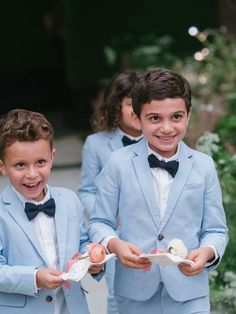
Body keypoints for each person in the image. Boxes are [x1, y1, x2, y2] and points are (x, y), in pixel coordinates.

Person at [88, 68, 228, 314]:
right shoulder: (118, 163)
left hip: (190, 292)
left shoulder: (204, 165)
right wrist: (114, 244)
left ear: (188, 115)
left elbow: (216, 230)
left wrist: (207, 252)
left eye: (176, 117)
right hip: (135, 292)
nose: (166, 128)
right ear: (136, 117)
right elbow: (99, 222)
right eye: (154, 118)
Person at [0, 109, 104, 314]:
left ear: (52, 157)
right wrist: (35, 277)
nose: (32, 174)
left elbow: (82, 242)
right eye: (20, 165)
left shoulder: (69, 200)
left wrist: (90, 260)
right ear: (3, 167)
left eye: (40, 162)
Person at [78, 71, 142, 314]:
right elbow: (87, 190)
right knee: (117, 294)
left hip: (151, 231)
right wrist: (106, 219)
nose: (136, 110)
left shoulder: (159, 139)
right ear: (116, 107)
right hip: (115, 236)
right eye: (129, 104)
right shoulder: (96, 144)